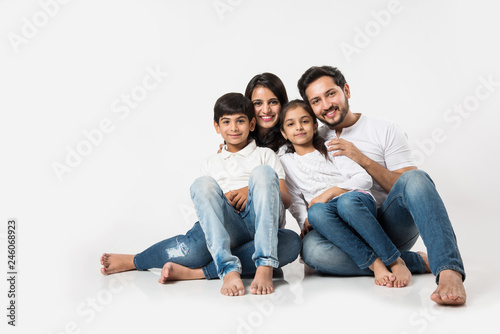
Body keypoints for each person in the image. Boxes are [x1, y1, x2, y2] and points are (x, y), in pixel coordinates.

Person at [101, 74, 301, 295]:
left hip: (260, 224)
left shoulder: (266, 155)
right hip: (225, 225)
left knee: (291, 242)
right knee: (195, 234)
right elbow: (207, 201)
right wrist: (223, 200)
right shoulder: (211, 162)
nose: (234, 127)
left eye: (240, 121)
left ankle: (258, 265)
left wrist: (249, 190)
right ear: (217, 127)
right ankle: (138, 260)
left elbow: (284, 196)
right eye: (226, 122)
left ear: (251, 123)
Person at [297, 66, 466, 304]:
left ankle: (448, 269)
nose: (326, 105)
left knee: (417, 177)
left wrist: (363, 159)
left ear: (346, 90)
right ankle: (410, 261)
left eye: (331, 94)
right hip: (349, 234)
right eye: (316, 101)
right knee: (312, 251)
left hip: (390, 224)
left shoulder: (384, 129)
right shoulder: (314, 137)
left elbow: (410, 187)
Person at [279, 100, 427, 287]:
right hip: (326, 213)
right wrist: (304, 222)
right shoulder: (285, 160)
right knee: (315, 213)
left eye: (305, 121)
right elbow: (295, 199)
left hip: (355, 200)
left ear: (315, 125)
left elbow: (364, 179)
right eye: (291, 124)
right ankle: (376, 263)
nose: (298, 127)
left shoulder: (330, 147)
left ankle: (395, 261)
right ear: (283, 133)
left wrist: (332, 192)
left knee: (346, 203)